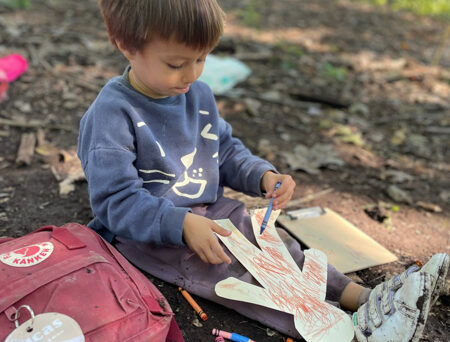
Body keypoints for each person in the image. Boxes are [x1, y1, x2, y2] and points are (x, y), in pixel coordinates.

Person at [77, 1, 449, 341]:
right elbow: (115, 202)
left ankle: (366, 298)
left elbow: (224, 150)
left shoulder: (197, 94)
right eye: (176, 63)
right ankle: (349, 331)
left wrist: (261, 176)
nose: (191, 74)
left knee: (279, 248)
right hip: (156, 237)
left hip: (213, 212)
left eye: (202, 59)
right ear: (127, 46)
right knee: (242, 279)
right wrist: (180, 225)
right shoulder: (112, 115)